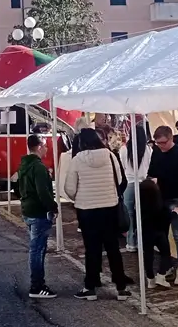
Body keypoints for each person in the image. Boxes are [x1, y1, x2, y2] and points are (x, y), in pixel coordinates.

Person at [64, 128, 131, 301]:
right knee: (113, 248)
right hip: (109, 207)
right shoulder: (110, 156)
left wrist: (79, 196)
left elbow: (69, 188)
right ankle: (121, 288)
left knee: (92, 249)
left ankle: (90, 287)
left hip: (87, 210)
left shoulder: (78, 159)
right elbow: (120, 180)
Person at [148, 125, 178, 286]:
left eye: (163, 142)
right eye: (157, 143)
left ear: (171, 139)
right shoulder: (156, 153)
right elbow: (152, 172)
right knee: (162, 236)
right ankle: (166, 266)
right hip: (161, 200)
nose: (160, 146)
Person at [17, 134, 58, 299]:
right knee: (38, 250)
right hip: (39, 212)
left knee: (36, 248)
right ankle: (37, 285)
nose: (47, 148)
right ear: (39, 146)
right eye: (46, 145)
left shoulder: (24, 165)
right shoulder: (39, 167)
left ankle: (37, 284)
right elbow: (43, 192)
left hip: (28, 209)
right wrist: (53, 207)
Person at [121, 122, 151, 253]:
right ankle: (141, 241)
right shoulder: (148, 150)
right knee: (142, 214)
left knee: (129, 214)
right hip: (144, 184)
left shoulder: (124, 149)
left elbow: (122, 167)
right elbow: (149, 166)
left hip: (129, 184)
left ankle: (131, 242)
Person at [139, 179, 175, 289]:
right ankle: (161, 275)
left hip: (145, 232)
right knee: (165, 253)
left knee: (148, 255)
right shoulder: (159, 202)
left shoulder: (140, 204)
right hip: (159, 232)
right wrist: (174, 212)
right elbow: (167, 216)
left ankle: (150, 279)